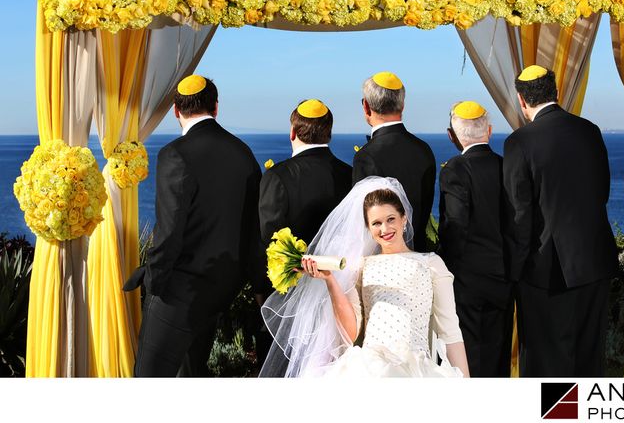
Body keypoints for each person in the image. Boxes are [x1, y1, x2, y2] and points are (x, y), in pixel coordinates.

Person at [260, 177, 470, 377]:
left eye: (390, 219)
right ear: (368, 228)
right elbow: (351, 333)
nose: (385, 229)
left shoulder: (431, 263)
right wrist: (330, 280)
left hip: (415, 368)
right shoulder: (361, 267)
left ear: (403, 218)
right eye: (376, 223)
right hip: (367, 367)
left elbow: (450, 331)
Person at [124, 74, 262, 377]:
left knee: (149, 377)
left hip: (179, 293)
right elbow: (254, 231)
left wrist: (154, 282)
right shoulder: (244, 154)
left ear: (176, 110)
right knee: (193, 374)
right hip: (220, 291)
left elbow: (169, 231)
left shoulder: (175, 154)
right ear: (215, 106)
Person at [503, 65, 618, 377]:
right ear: (556, 93)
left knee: (545, 363)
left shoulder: (519, 142)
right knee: (589, 359)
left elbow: (521, 215)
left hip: (545, 271)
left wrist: (514, 271)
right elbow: (602, 191)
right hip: (594, 261)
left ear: (521, 100)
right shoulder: (590, 130)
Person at [257, 98, 352, 373]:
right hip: (339, 288)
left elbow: (269, 239)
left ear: (293, 133)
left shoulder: (277, 177)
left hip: (290, 297)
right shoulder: (349, 175)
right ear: (329, 134)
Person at [438, 101, 514, 377]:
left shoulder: (455, 170)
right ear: (490, 131)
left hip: (468, 281)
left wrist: (447, 268)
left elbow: (455, 227)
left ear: (452, 135)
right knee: (499, 353)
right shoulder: (506, 165)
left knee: (469, 358)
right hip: (505, 277)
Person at [353, 71, 436, 252]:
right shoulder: (424, 150)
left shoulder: (366, 157)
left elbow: (363, 223)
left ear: (366, 106)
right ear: (402, 105)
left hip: (383, 262)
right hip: (420, 255)